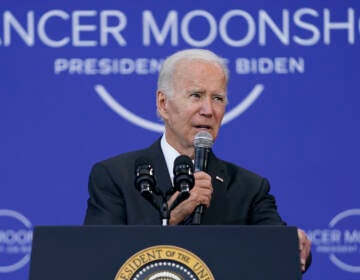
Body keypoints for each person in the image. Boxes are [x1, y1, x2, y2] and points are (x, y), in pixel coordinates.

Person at [84, 48, 311, 272]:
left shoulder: (249, 188)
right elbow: (99, 259)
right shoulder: (115, 176)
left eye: (218, 98)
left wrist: (295, 244)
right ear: (163, 104)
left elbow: (281, 249)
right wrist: (170, 220)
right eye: (196, 95)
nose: (208, 110)